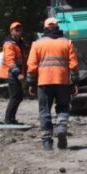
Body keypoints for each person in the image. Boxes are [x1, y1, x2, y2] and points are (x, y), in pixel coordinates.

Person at [26, 17, 80, 150]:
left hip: (44, 82)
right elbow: (73, 65)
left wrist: (30, 83)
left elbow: (32, 65)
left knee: (44, 110)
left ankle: (47, 142)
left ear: (45, 28)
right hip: (62, 81)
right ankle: (61, 128)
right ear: (57, 27)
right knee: (63, 107)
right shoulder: (67, 42)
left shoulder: (37, 44)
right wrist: (74, 82)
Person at [0, 21, 27, 125]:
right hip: (12, 74)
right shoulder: (9, 44)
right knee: (15, 97)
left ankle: (11, 119)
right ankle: (8, 120)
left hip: (16, 73)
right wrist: (18, 73)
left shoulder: (19, 42)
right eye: (16, 30)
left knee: (18, 97)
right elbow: (10, 61)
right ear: (11, 31)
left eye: (20, 30)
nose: (19, 32)